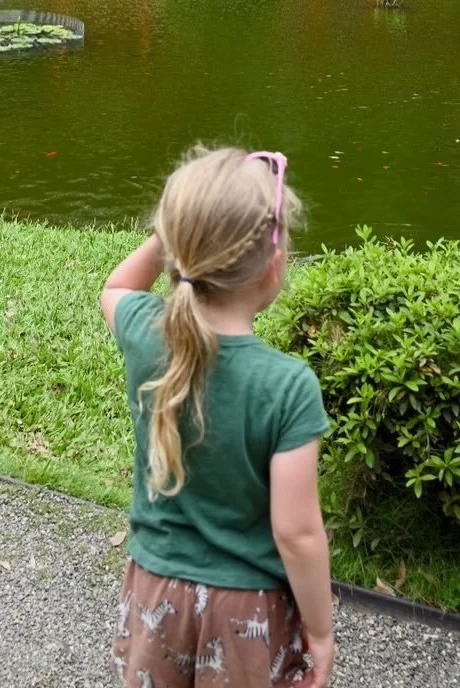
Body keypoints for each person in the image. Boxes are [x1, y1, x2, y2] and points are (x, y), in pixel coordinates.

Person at [100, 147, 334, 688]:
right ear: (273, 266)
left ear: (176, 247)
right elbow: (297, 533)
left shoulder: (145, 335)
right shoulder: (288, 385)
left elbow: (115, 288)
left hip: (154, 592)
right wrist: (320, 633)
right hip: (246, 611)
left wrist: (176, 235)